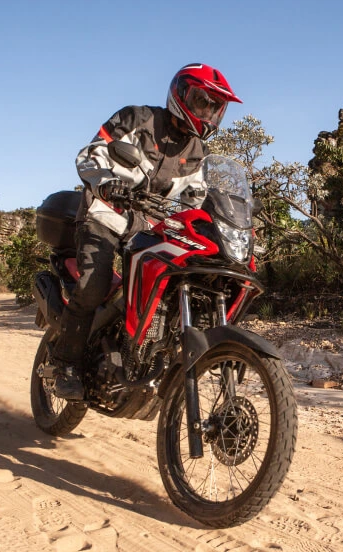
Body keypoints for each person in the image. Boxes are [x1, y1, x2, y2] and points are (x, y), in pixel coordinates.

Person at [52, 63, 242, 400]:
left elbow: (195, 199)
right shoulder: (137, 119)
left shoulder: (198, 153)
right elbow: (91, 154)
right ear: (181, 95)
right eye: (203, 102)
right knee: (93, 286)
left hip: (151, 227)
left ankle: (145, 355)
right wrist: (107, 184)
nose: (209, 113)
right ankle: (65, 364)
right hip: (105, 215)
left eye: (216, 107)